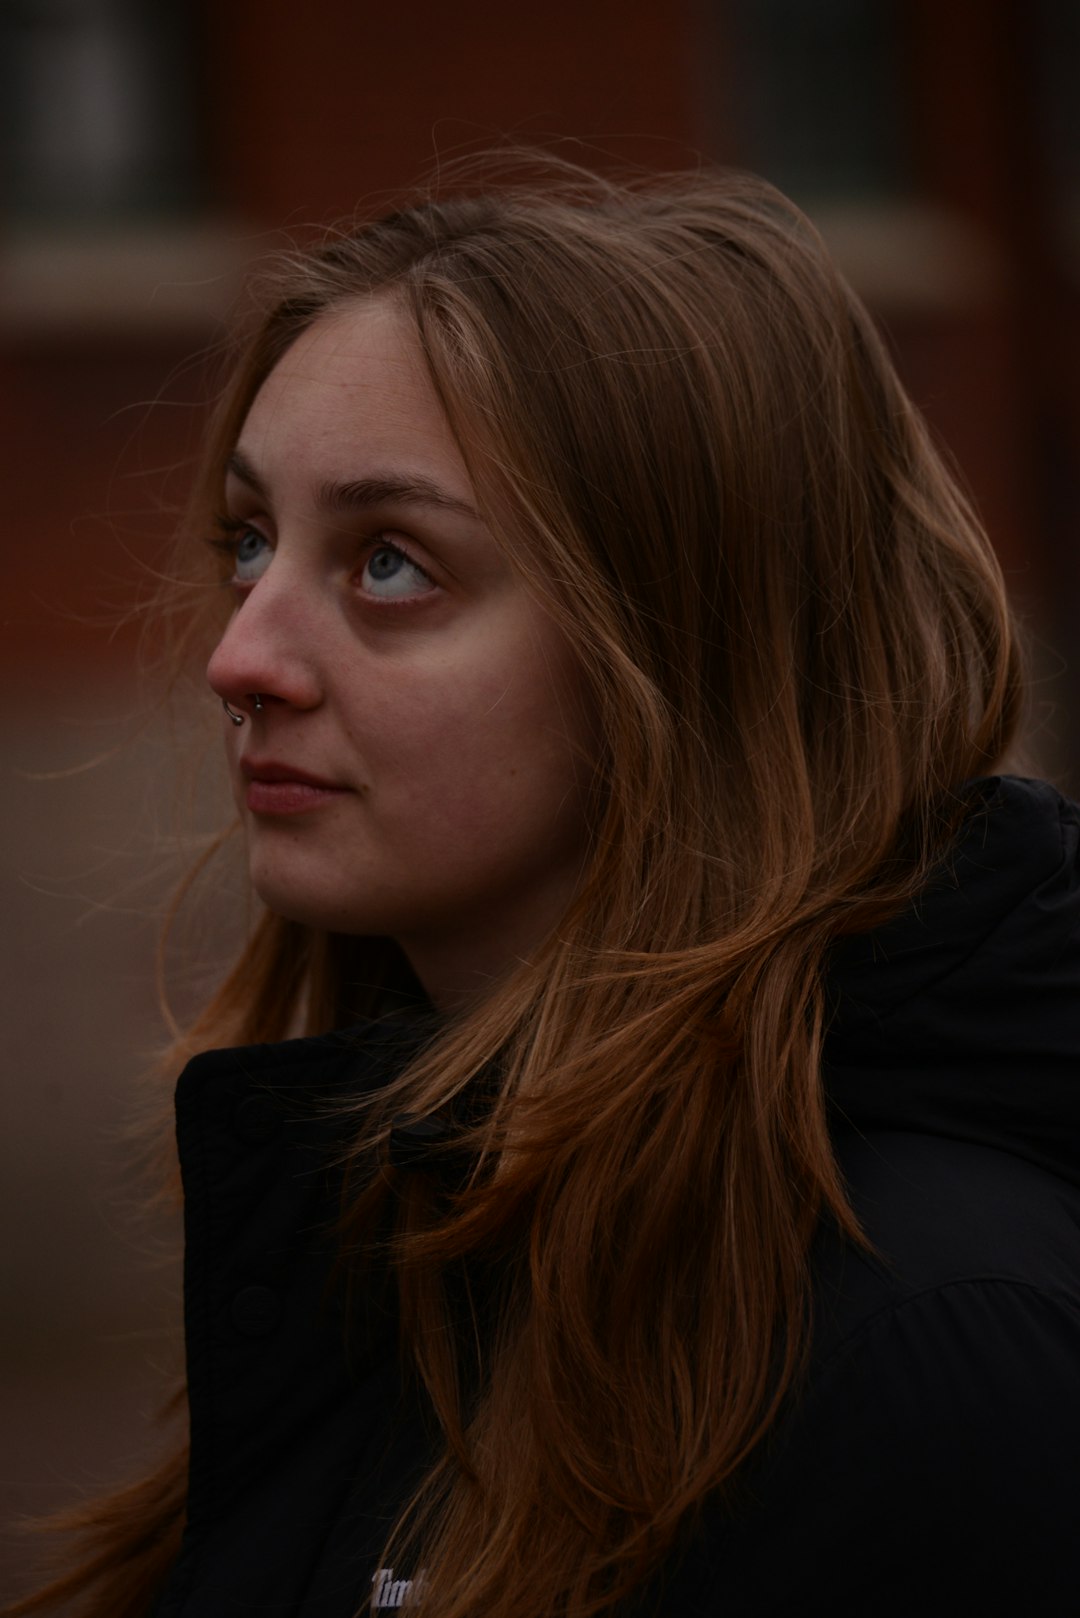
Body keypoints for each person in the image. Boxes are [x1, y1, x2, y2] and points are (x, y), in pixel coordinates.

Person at [12, 159, 1080, 1618]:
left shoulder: (938, 1348)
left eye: (391, 564)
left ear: (685, 649)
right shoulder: (419, 1223)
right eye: (251, 542)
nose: (239, 657)